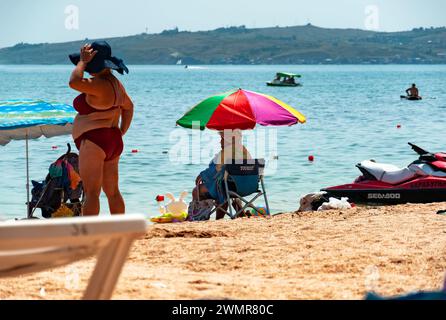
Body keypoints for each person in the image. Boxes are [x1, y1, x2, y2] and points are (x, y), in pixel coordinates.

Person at [68, 41, 134, 216]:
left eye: (89, 64)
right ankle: (120, 230)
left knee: (91, 193)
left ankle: (90, 234)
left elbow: (74, 82)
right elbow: (129, 107)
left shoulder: (97, 85)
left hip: (94, 142)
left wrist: (82, 61)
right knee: (113, 192)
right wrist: (121, 131)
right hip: (112, 140)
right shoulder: (117, 85)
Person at [192, 130, 251, 220]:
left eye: (222, 139)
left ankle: (198, 216)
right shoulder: (244, 151)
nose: (220, 141)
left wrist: (202, 175)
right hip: (245, 187)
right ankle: (239, 212)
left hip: (228, 188)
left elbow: (213, 172)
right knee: (224, 188)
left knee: (197, 190)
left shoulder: (225, 153)